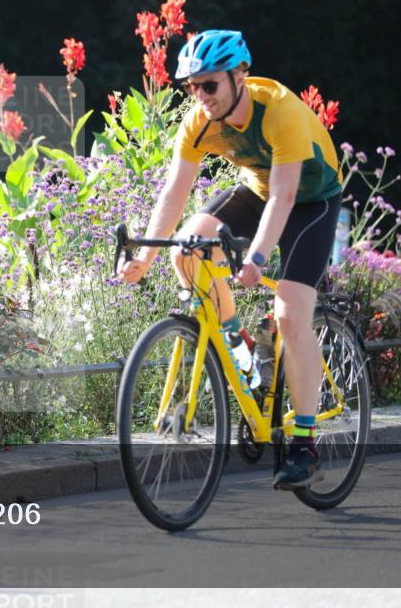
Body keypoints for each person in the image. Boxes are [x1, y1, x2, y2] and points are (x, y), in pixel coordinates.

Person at [117, 30, 342, 489]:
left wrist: (256, 259)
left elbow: (284, 197)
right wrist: (142, 258)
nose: (200, 97)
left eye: (210, 85)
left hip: (311, 202)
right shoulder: (199, 121)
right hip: (256, 192)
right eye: (191, 87)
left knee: (290, 315)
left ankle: (303, 440)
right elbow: (175, 190)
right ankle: (244, 353)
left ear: (240, 75)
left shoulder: (279, 109)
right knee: (186, 251)